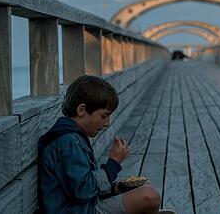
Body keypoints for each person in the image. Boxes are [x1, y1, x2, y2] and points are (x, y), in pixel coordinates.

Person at [38, 75, 174, 214]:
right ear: (81, 110)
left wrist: (114, 189)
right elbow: (84, 190)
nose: (107, 123)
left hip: (85, 206)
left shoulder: (71, 136)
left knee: (145, 186)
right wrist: (113, 164)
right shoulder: (68, 142)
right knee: (149, 196)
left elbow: (81, 186)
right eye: (104, 116)